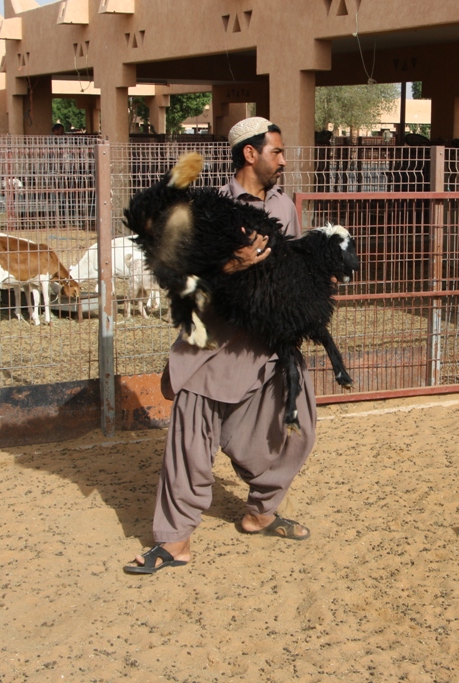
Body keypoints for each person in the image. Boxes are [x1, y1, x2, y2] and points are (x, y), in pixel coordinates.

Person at [124, 117, 315, 574]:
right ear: (250, 154)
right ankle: (174, 542)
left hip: (268, 345)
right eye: (277, 152)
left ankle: (261, 511)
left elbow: (286, 266)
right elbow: (182, 279)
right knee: (190, 447)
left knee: (299, 427)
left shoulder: (285, 207)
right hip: (212, 348)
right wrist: (235, 263)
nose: (284, 159)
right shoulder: (211, 208)